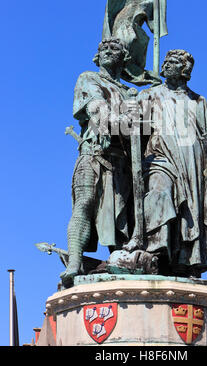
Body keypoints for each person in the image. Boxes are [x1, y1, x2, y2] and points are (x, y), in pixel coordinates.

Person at [138, 49, 207, 277]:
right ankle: (156, 252)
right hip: (159, 157)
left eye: (173, 62)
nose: (167, 64)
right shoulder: (150, 95)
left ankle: (185, 260)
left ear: (184, 70)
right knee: (159, 192)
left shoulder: (198, 101)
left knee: (191, 211)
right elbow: (128, 127)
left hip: (192, 163)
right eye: (166, 61)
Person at [61, 38, 134, 284]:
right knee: (85, 203)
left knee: (121, 217)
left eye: (114, 49)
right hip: (93, 152)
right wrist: (112, 122)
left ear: (124, 58)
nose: (108, 52)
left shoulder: (128, 92)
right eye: (103, 49)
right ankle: (74, 263)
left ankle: (119, 262)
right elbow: (95, 105)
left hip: (122, 161)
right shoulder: (89, 78)